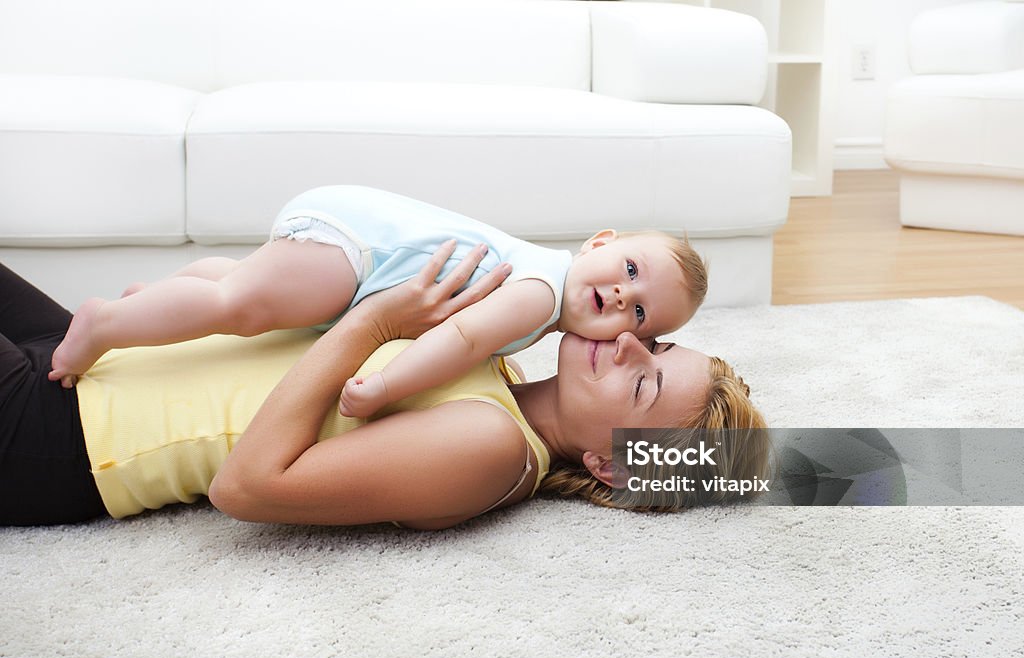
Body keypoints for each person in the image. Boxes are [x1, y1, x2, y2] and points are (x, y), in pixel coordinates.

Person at [0, 244, 767, 528]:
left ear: (610, 464)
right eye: (654, 342)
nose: (628, 342)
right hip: (81, 355)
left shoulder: (491, 446)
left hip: (52, 435)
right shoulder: (497, 355)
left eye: (643, 385)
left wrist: (373, 325)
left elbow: (249, 486)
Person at [47, 186, 708, 420]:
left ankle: (157, 301)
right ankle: (107, 323)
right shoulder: (538, 294)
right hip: (358, 251)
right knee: (239, 305)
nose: (623, 296)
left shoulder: (544, 288)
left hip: (357, 248)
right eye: (628, 268)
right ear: (600, 241)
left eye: (642, 312)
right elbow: (463, 341)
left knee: (256, 294)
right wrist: (384, 386)